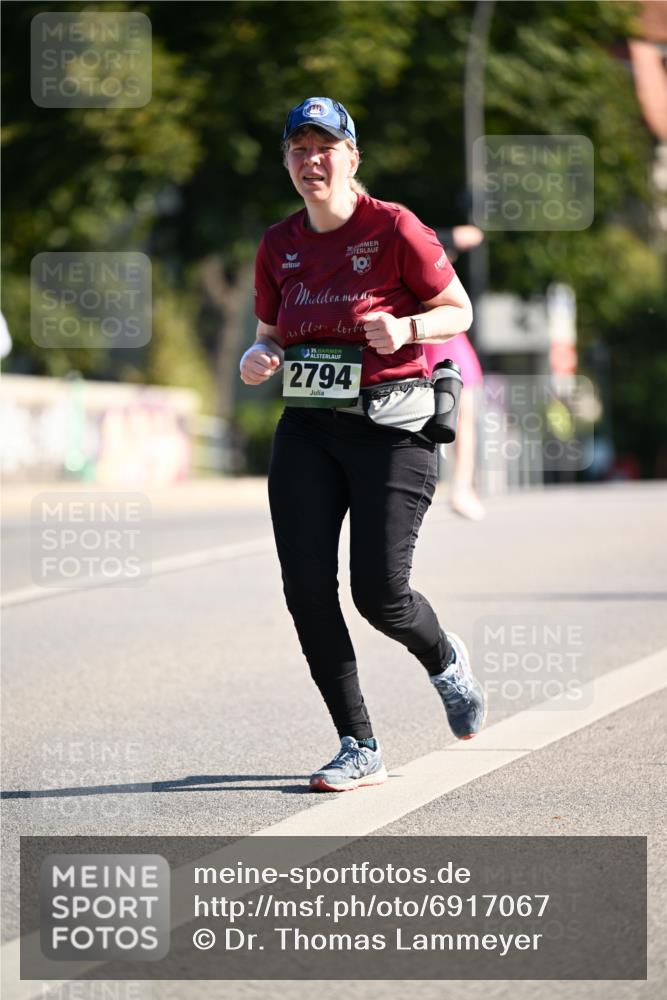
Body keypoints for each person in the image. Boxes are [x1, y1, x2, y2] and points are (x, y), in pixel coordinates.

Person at [240, 97, 486, 792]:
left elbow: (459, 309)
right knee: (306, 589)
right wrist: (257, 358)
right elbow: (268, 336)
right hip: (308, 429)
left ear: (351, 158)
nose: (311, 160)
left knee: (380, 595)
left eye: (325, 147)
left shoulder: (395, 227)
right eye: (298, 149)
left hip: (393, 430)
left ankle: (445, 661)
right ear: (287, 161)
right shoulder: (278, 244)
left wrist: (407, 330)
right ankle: (358, 744)